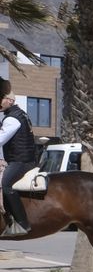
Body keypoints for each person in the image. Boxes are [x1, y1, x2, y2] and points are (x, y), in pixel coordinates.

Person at [1, 92, 39, 233]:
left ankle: (22, 223)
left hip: (21, 161)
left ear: (10, 101)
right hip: (24, 159)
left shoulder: (12, 119)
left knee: (5, 184)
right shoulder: (20, 114)